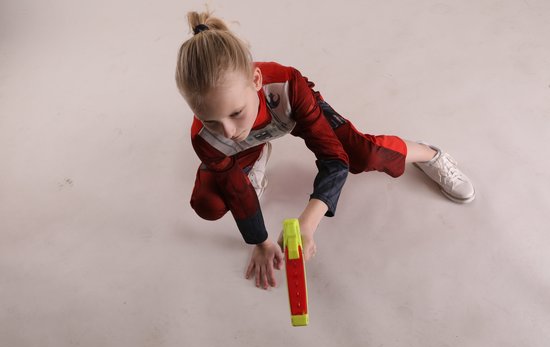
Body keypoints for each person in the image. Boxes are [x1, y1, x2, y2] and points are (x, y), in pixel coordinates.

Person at [175, 11, 475, 290]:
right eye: (210, 120)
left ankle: (431, 154)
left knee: (363, 154)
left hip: (291, 114)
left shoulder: (287, 85)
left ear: (256, 81)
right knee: (208, 202)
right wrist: (262, 242)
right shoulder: (206, 139)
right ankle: (254, 155)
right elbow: (235, 191)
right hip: (247, 145)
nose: (228, 131)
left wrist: (307, 224)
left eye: (236, 113)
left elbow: (334, 159)